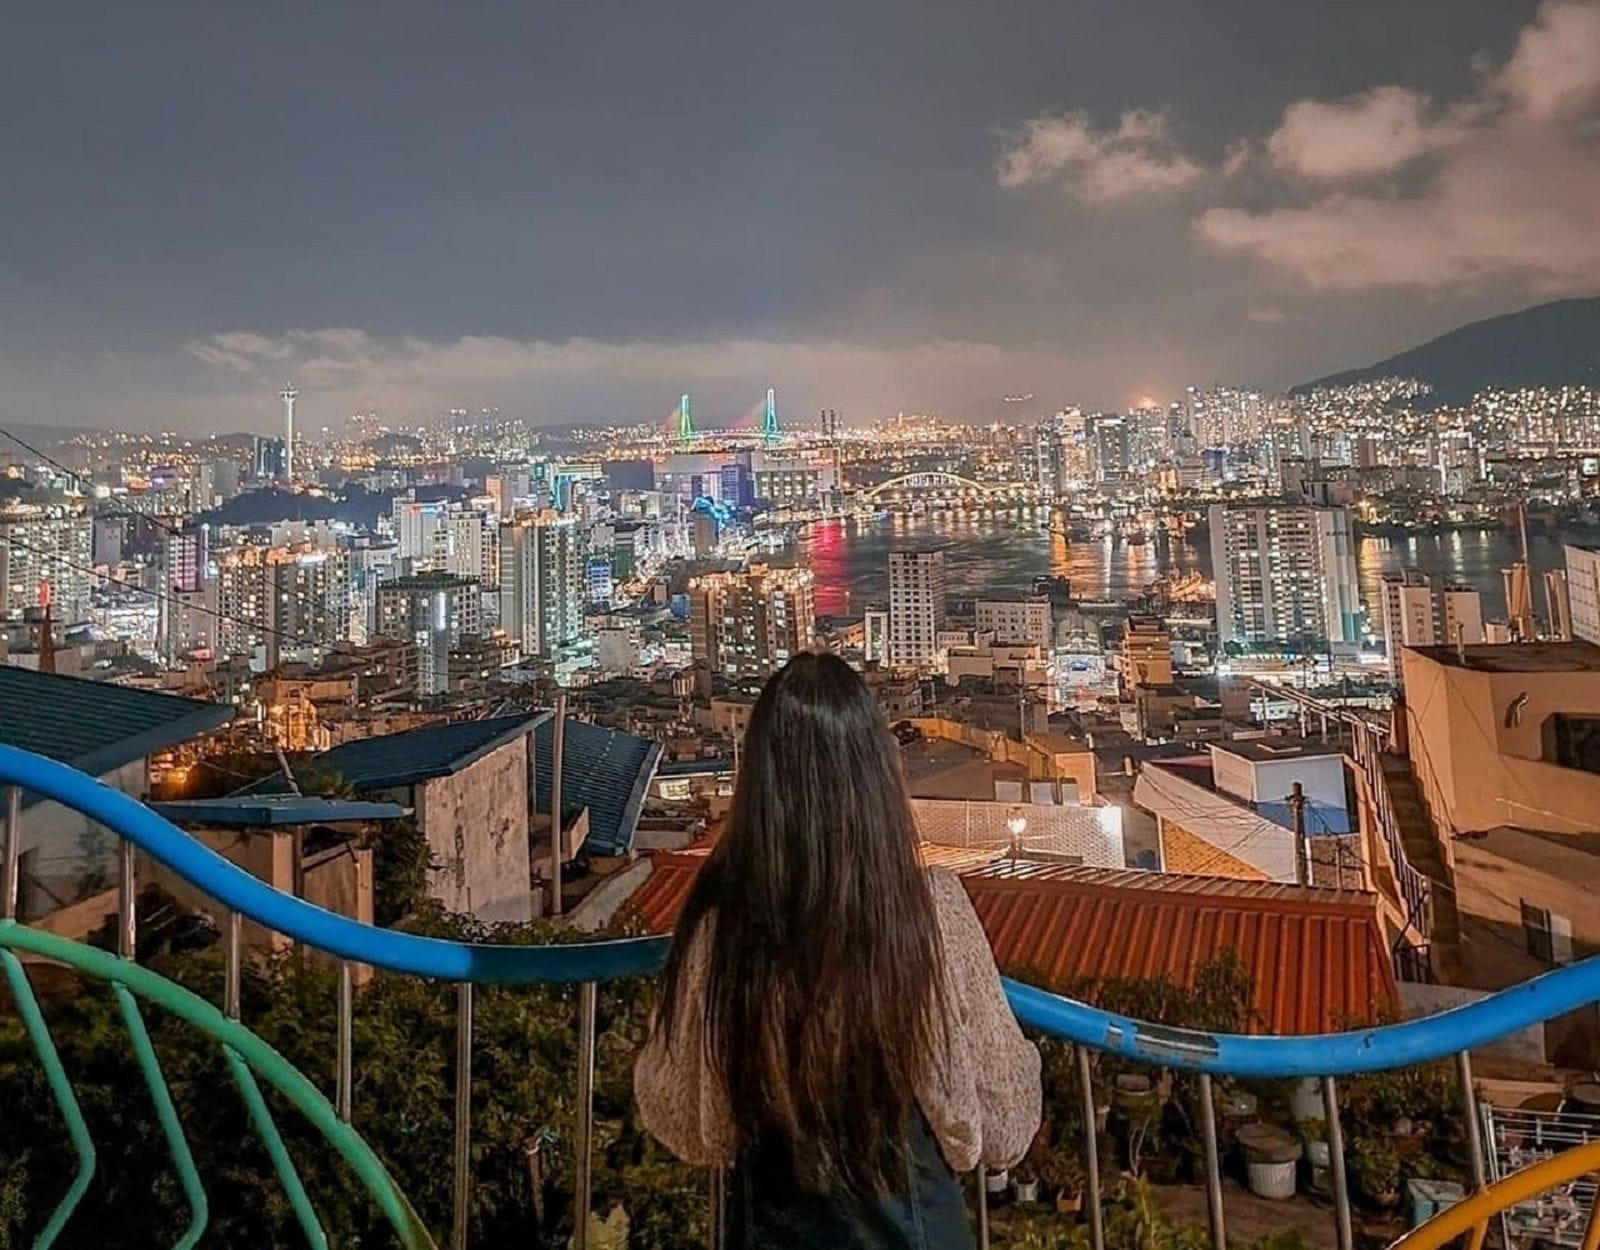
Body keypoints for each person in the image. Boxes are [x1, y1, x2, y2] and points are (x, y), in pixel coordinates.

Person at [635, 652, 1041, 1249]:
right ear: (877, 772)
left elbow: (688, 1123)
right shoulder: (929, 914)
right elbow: (1005, 1124)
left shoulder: (723, 924)